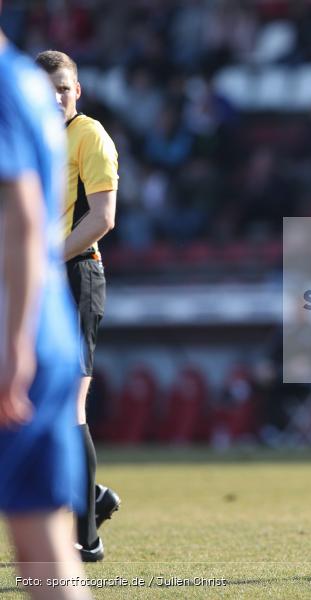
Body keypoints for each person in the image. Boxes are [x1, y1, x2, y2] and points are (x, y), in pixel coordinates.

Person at [0, 23, 91, 600]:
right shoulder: (25, 85)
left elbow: (23, 218)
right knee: (41, 549)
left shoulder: (11, 88)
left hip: (19, 328)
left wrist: (14, 344)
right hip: (39, 324)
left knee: (40, 547)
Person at [35, 50, 121, 562]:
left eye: (64, 88)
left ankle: (84, 537)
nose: (57, 98)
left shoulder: (88, 135)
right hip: (34, 276)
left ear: (78, 90)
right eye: (48, 91)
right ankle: (91, 499)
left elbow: (102, 216)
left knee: (69, 406)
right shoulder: (27, 136)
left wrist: (40, 257)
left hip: (73, 274)